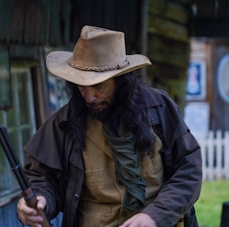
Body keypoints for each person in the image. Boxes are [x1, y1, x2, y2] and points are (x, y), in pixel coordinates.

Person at [17, 25, 202, 227]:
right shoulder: (64, 123)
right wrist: (41, 200)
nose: (88, 97)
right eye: (81, 86)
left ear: (121, 81)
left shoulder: (159, 109)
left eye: (99, 86)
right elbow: (42, 179)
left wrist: (155, 216)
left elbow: (188, 171)